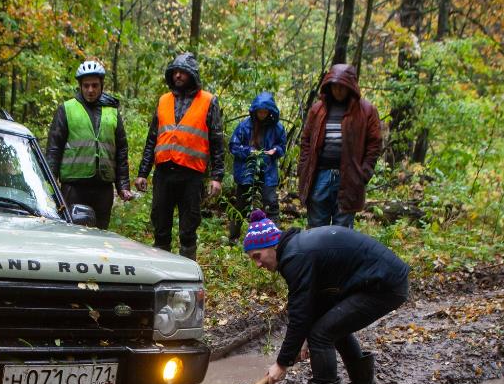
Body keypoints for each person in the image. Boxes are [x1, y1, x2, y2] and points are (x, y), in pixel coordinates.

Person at [241, 209, 408, 384]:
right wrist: (300, 342)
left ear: (272, 245)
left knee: (321, 335)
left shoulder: (295, 256)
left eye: (258, 256)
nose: (257, 264)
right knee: (332, 326)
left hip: (383, 285)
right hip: (374, 281)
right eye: (252, 259)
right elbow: (315, 299)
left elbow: (300, 314)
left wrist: (282, 363)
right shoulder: (295, 250)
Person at [134, 52, 225, 260]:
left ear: (192, 74)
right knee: (160, 227)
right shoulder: (163, 100)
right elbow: (152, 139)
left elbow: (217, 141)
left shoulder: (208, 101)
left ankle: (187, 273)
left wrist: (216, 177)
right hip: (164, 173)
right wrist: (142, 173)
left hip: (191, 176)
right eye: (174, 72)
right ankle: (161, 269)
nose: (177, 76)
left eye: (182, 72)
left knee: (188, 229)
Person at [45, 60, 132, 229]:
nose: (90, 90)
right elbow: (54, 149)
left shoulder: (112, 112)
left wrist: (123, 185)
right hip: (73, 187)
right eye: (86, 86)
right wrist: (50, 184)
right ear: (80, 86)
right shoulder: (67, 109)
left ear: (101, 85)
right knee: (72, 232)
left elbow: (121, 150)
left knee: (100, 234)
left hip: (103, 187)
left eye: (94, 85)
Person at [297, 64, 382, 228]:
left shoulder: (366, 110)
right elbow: (306, 140)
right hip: (320, 175)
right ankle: (318, 254)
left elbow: (374, 143)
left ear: (351, 86)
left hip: (349, 177)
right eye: (335, 86)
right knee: (316, 227)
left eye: (342, 87)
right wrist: (303, 168)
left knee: (342, 231)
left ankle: (339, 255)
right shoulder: (318, 109)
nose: (338, 91)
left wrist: (363, 173)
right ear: (329, 86)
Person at [227, 92, 286, 243]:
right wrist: (249, 152)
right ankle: (233, 238)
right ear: (254, 111)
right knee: (241, 203)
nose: (262, 114)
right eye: (260, 111)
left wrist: (275, 151)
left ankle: (275, 239)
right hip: (247, 170)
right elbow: (233, 146)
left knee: (270, 202)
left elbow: (282, 146)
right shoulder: (244, 126)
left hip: (267, 171)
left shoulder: (277, 128)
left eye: (265, 111)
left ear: (270, 112)